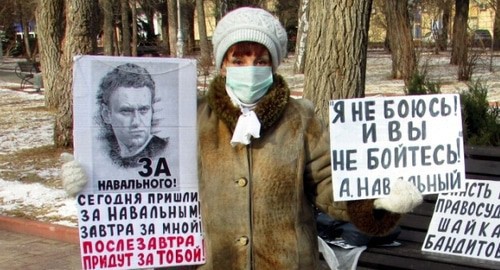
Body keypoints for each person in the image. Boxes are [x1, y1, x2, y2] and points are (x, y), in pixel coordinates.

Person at [62, 7, 422, 269]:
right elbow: (151, 176)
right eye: (239, 58)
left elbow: (330, 183)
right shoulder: (191, 117)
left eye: (260, 58)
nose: (250, 67)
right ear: (222, 64)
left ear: (274, 64)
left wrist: (378, 202)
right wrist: (93, 177)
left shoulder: (301, 119)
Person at [96, 63, 168, 168]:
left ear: (152, 110)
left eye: (143, 110)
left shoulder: (171, 151)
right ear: (106, 115)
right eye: (126, 111)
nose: (136, 122)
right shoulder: (104, 157)